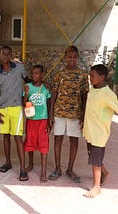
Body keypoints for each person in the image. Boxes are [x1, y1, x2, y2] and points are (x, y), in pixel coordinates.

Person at [48, 45, 89, 183]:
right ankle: (58, 168)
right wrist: (50, 115)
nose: (72, 59)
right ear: (65, 58)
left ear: (77, 58)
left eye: (74, 57)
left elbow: (85, 96)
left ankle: (70, 169)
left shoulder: (83, 75)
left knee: (74, 140)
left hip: (75, 114)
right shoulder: (59, 74)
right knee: (58, 139)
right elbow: (53, 94)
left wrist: (83, 115)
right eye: (69, 57)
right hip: (59, 112)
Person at [0, 45, 31, 181]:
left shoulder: (19, 68)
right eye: (3, 54)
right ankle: (8, 162)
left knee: (18, 137)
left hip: (16, 107)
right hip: (3, 108)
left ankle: (22, 169)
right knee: (6, 136)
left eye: (8, 54)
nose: (5, 56)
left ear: (11, 55)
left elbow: (28, 82)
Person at [83, 64, 118, 198]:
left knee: (95, 160)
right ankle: (104, 172)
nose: (90, 78)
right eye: (90, 75)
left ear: (102, 77)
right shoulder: (93, 89)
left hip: (99, 133)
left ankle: (96, 187)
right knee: (94, 157)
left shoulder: (108, 94)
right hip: (89, 131)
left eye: (93, 76)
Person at [23, 65, 51, 182]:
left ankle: (43, 172)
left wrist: (49, 120)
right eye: (33, 73)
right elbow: (24, 103)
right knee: (30, 142)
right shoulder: (28, 87)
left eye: (37, 73)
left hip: (43, 120)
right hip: (31, 120)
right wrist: (26, 94)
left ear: (42, 75)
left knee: (43, 145)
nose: (34, 76)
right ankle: (31, 164)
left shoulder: (46, 88)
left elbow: (49, 104)